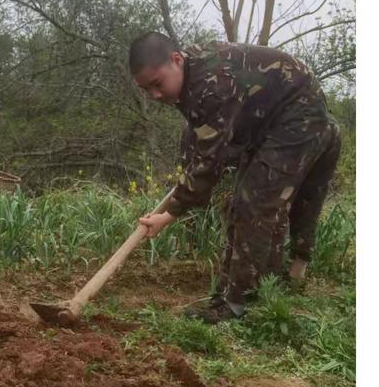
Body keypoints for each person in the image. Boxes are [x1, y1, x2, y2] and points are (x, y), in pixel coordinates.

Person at [131, 32, 341, 324]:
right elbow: (202, 140)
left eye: (156, 84)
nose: (154, 95)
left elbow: (210, 163)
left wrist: (168, 215)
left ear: (177, 60)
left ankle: (238, 304)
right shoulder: (188, 77)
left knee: (254, 202)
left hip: (298, 112)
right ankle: (243, 291)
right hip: (264, 121)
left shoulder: (212, 82)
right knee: (242, 202)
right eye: (146, 90)